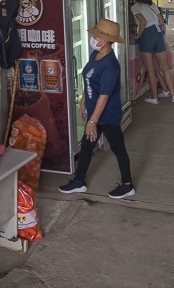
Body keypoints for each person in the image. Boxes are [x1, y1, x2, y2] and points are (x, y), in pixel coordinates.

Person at [58, 19, 135, 199]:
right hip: (94, 113)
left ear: (105, 40)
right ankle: (79, 182)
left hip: (107, 116)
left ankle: (127, 185)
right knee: (86, 147)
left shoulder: (110, 66)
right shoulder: (96, 54)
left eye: (96, 36)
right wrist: (83, 101)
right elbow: (88, 79)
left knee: (118, 149)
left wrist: (93, 121)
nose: (93, 37)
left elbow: (104, 96)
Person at [128, 0, 174, 104]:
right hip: (158, 33)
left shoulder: (135, 7)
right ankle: (173, 95)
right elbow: (161, 21)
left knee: (150, 69)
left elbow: (143, 22)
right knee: (164, 67)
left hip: (147, 35)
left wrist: (137, 36)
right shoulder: (151, 3)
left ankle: (154, 97)